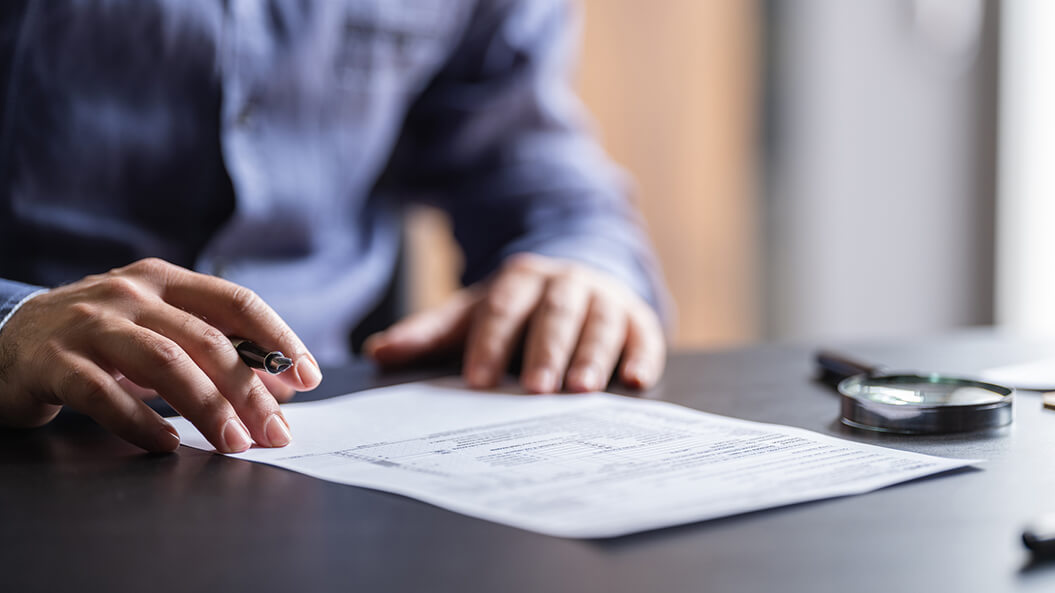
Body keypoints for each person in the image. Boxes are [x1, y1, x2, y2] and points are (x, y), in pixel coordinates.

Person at [0, 1, 668, 454]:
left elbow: (531, 161)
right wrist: (13, 322)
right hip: (32, 439)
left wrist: (582, 264)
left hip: (321, 447)